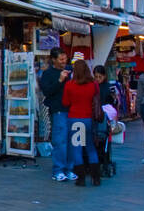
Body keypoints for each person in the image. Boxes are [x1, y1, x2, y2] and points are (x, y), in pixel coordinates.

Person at [62, 60, 102, 187]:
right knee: (91, 148)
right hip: (88, 119)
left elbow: (65, 102)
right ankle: (96, 178)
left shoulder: (69, 85)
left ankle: (81, 178)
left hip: (74, 118)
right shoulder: (93, 84)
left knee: (77, 149)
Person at [39, 48, 75, 182]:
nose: (63, 62)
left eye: (65, 59)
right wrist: (60, 80)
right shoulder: (48, 74)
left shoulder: (71, 71)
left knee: (72, 141)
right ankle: (59, 169)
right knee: (60, 141)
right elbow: (47, 92)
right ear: (53, 59)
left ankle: (70, 168)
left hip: (73, 111)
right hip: (59, 110)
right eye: (61, 59)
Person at [93, 65, 116, 174]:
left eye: (100, 77)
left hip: (104, 116)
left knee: (103, 138)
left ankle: (104, 160)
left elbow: (113, 103)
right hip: (95, 116)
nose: (97, 79)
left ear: (104, 76)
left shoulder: (109, 87)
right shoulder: (92, 86)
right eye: (96, 77)